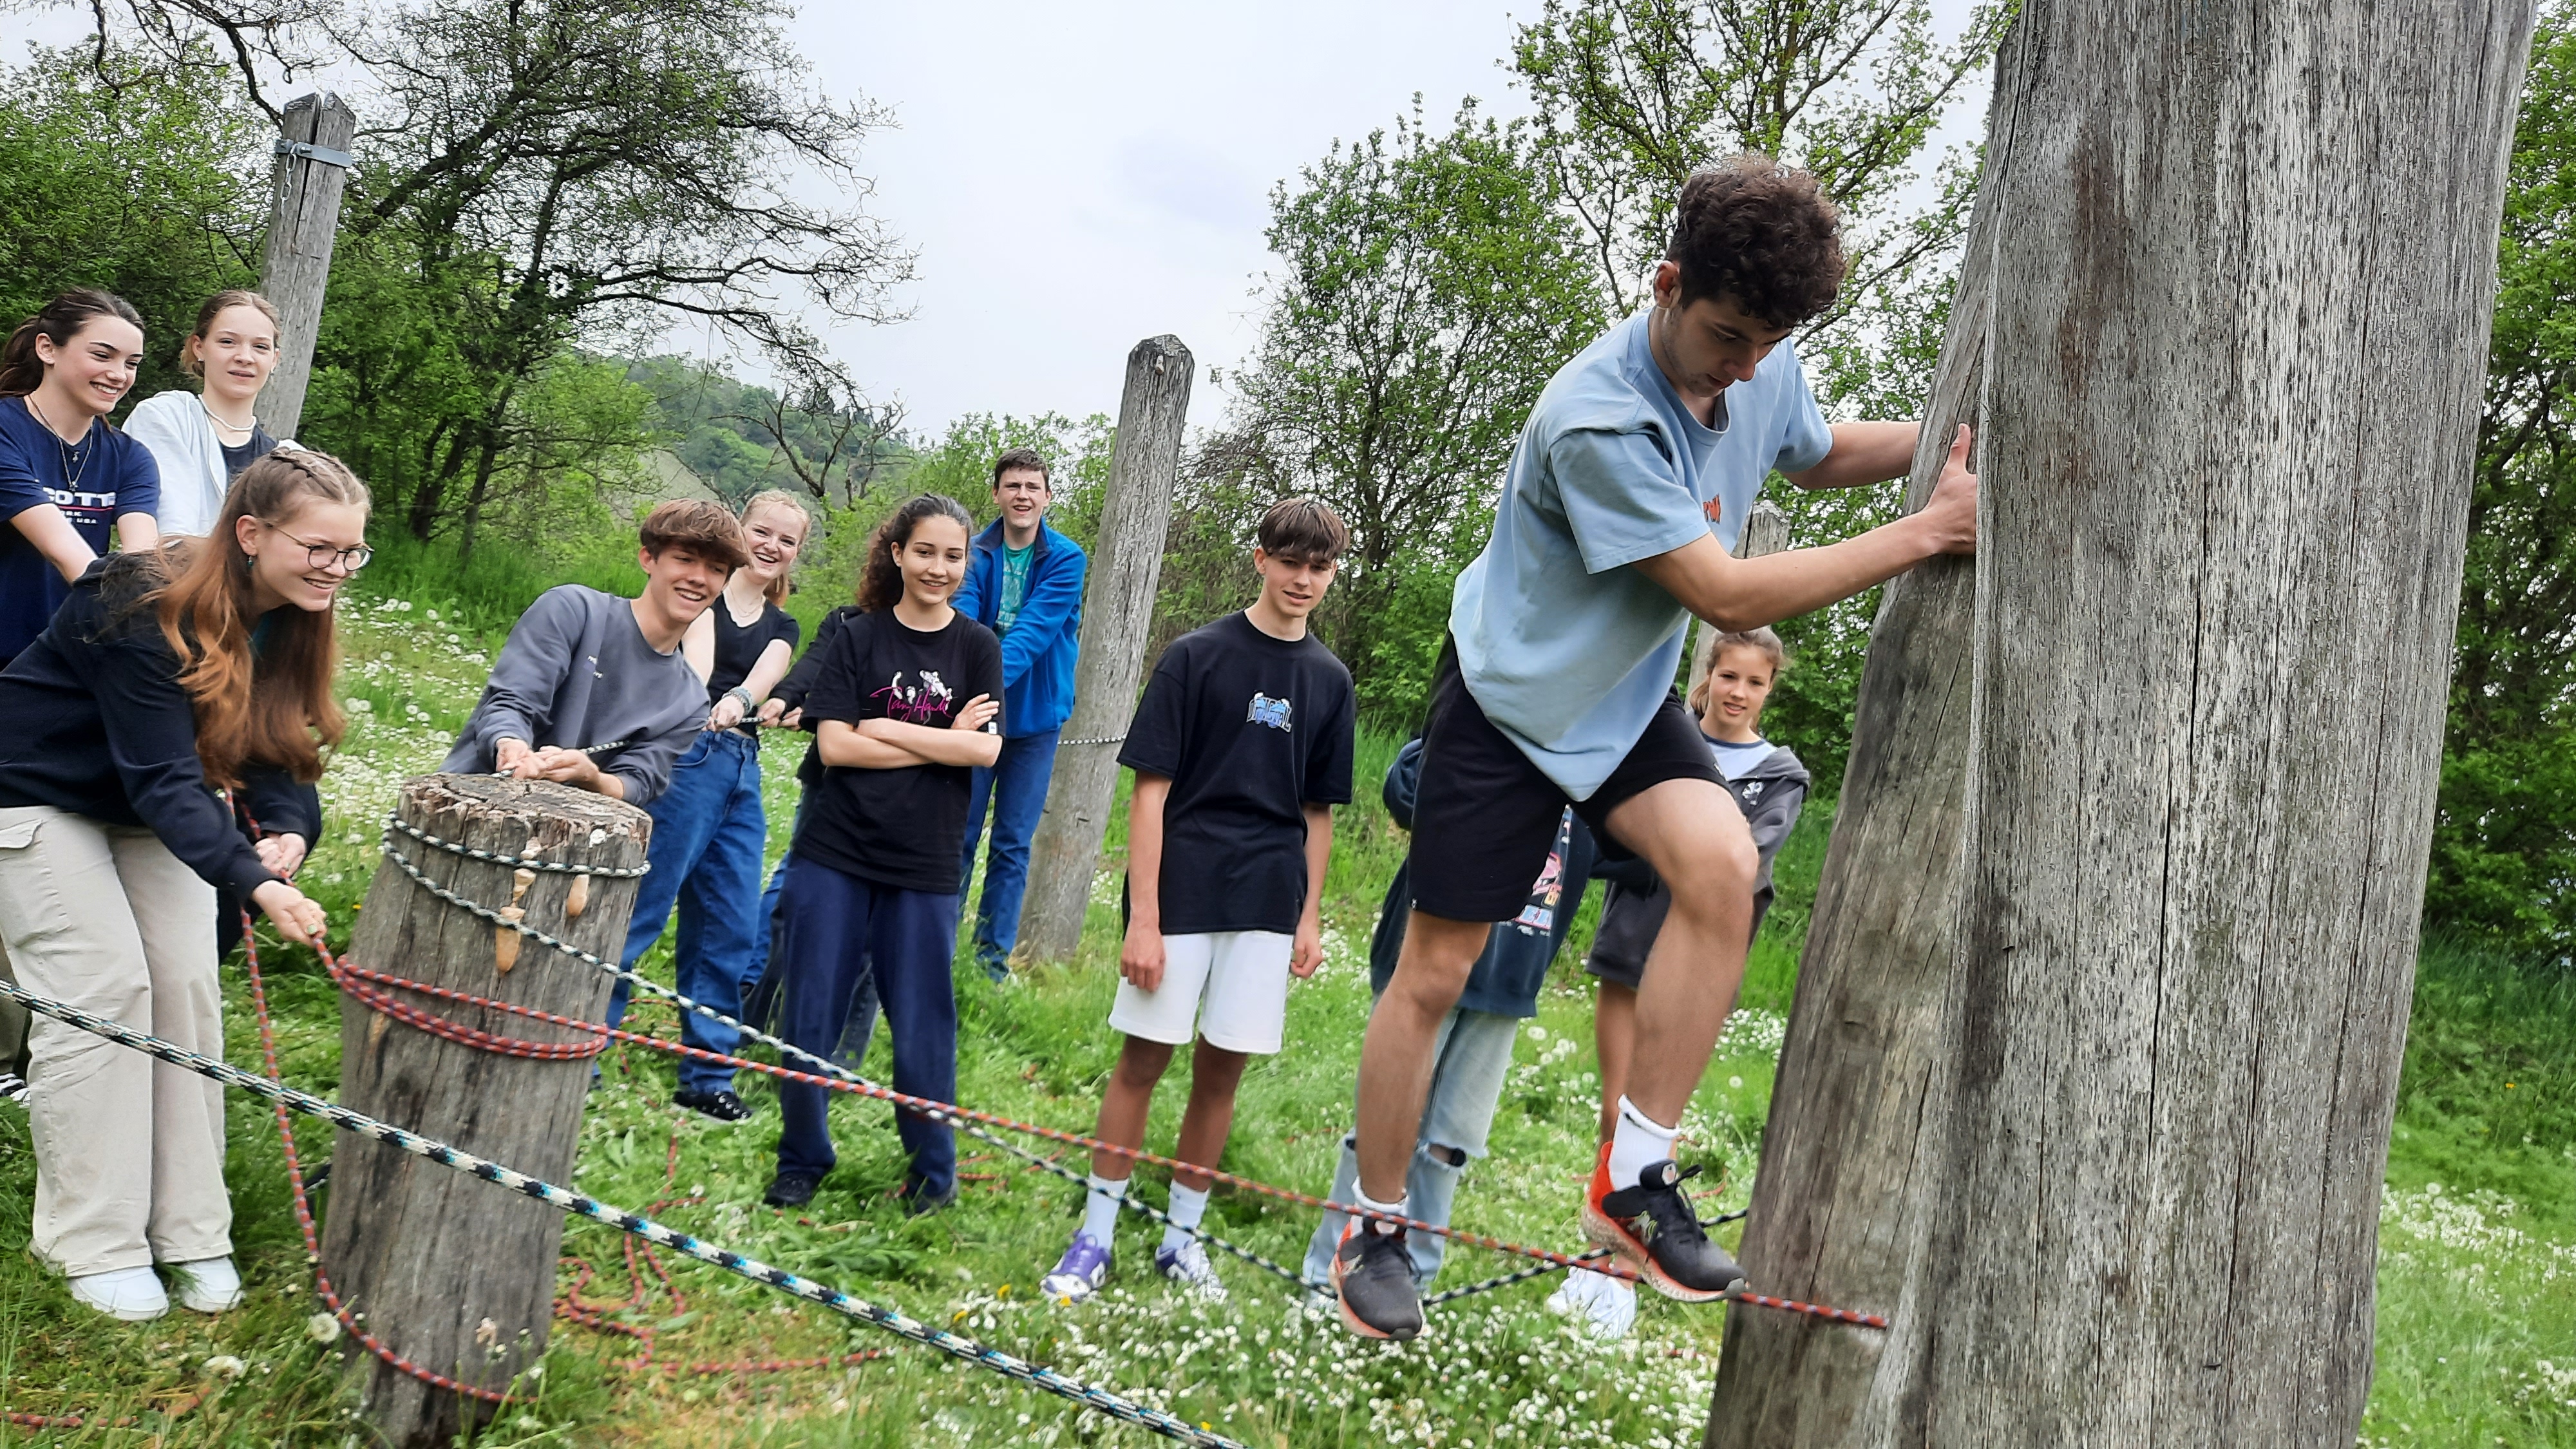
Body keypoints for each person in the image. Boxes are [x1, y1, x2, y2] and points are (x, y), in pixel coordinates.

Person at [1331, 156, 1978, 1342]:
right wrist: (1927, 532)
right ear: (1669, 283)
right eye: (1726, 334)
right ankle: (1372, 1226)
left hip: (1622, 699)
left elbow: (1818, 449)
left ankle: (1633, 1181)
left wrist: (1963, 440)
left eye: (1763, 345)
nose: (1743, 367)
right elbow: (1724, 588)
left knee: (1724, 868)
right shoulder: (1596, 416)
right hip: (1512, 705)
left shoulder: (1761, 361)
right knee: (1438, 970)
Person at [0, 451, 354, 1321]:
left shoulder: (291, 614)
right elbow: (165, 775)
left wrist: (291, 834)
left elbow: (273, 742)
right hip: (33, 793)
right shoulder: (138, 602)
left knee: (187, 986)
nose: (337, 569)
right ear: (250, 533)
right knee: (107, 986)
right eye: (320, 548)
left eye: (353, 553)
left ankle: (191, 1231)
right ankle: (92, 1240)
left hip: (143, 813)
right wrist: (252, 883)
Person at [1041, 497, 1355, 1306]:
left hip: (1266, 901)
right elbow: (1152, 793)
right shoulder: (1196, 656)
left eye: (1319, 567)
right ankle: (1096, 1235)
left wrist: (1309, 915)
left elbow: (1316, 810)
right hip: (1180, 893)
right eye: (1290, 561)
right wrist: (1142, 918)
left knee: (1222, 1076)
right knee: (1143, 1061)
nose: (1304, 579)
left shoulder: (1329, 680)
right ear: (1260, 558)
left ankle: (1182, 1240)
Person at [1549, 626, 1808, 1338]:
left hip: (1696, 964)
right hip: (1632, 942)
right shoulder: (1658, 739)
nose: (1738, 691)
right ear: (1708, 674)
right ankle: (1598, 1264)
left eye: (1754, 682)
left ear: (1768, 690)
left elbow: (1745, 859)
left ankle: (1627, 1281)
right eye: (1728, 676)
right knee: (1616, 1109)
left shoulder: (1780, 773)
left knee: (1655, 1112)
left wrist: (1669, 841)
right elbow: (1608, 838)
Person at [761, 494, 1002, 1215]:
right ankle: (802, 1156)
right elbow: (834, 748)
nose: (938, 568)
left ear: (966, 563)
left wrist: (883, 727)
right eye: (924, 552)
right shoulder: (858, 636)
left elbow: (984, 748)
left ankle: (933, 1175)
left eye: (953, 556)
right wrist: (939, 743)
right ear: (897, 553)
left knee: (924, 1026)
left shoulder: (977, 647)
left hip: (925, 866)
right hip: (833, 854)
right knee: (810, 1015)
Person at [1302, 737, 1596, 1292]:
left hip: (1510, 977)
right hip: (1421, 961)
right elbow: (1403, 789)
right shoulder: (1486, 730)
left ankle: (1413, 1283)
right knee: (1382, 1124)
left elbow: (1632, 850)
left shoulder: (1598, 766)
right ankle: (1329, 1274)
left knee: (1450, 1143)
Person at [0, 290, 164, 1115]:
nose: (119, 374)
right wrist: (140, 599)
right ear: (47, 348)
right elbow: (78, 560)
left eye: (132, 362)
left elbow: (140, 566)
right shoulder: (3, 429)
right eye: (103, 354)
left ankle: (34, 1042)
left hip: (57, 686)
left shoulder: (129, 458)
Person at [601, 491, 808, 1122]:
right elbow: (697, 665)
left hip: (741, 764)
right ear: (737, 532)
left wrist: (744, 701)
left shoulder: (783, 627)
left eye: (787, 540)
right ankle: (578, 1046)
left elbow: (763, 675)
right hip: (685, 758)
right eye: (761, 531)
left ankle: (708, 1073)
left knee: (729, 923)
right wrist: (709, 705)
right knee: (641, 908)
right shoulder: (703, 596)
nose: (771, 546)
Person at [440, 499, 747, 806]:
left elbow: (639, 782)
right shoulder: (572, 611)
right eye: (684, 559)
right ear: (648, 559)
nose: (698, 578)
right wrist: (512, 747)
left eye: (716, 569)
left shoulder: (690, 702)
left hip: (569, 841)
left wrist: (593, 778)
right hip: (468, 809)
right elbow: (510, 703)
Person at [951, 446, 1087, 982]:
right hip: (975, 714)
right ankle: (935, 947)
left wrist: (978, 681)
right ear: (997, 494)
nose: (1023, 496)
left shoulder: (1067, 559)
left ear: (1047, 497)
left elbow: (1034, 630)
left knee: (1011, 843)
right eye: (1013, 486)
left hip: (1033, 721)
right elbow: (959, 619)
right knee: (958, 833)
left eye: (1033, 487)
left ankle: (989, 964)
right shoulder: (973, 551)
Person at [125, 290, 298, 538]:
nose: (245, 358)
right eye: (228, 342)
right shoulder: (164, 418)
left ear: (274, 360)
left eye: (260, 347)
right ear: (199, 348)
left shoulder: (288, 458)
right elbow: (172, 533)